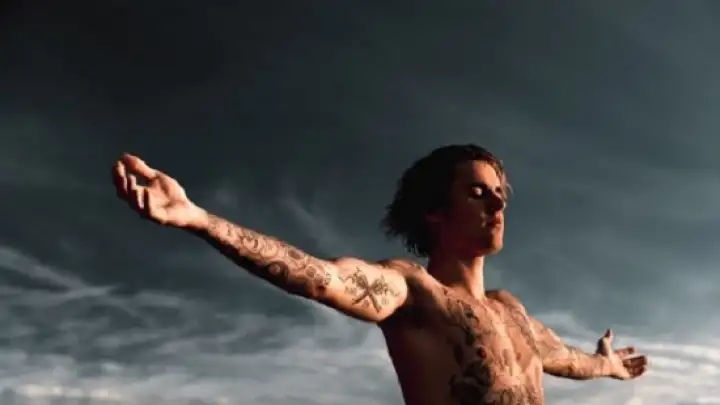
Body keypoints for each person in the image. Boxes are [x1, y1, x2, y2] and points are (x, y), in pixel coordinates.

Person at [112, 144, 648, 405]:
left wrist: (609, 366)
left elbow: (568, 360)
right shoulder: (413, 292)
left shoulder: (514, 314)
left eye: (499, 194)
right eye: (477, 192)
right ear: (435, 211)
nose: (497, 204)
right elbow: (319, 277)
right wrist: (199, 219)